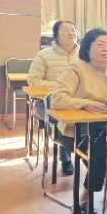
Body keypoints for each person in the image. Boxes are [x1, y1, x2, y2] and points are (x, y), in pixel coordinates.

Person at [52, 28, 107, 214]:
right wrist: (84, 103)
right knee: (102, 150)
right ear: (87, 47)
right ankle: (87, 196)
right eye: (101, 45)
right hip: (78, 130)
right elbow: (57, 99)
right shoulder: (76, 68)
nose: (106, 49)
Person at [28, 19, 79, 175]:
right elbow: (33, 80)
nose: (71, 33)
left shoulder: (85, 55)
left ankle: (90, 159)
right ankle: (66, 158)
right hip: (47, 104)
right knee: (64, 120)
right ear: (56, 35)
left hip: (77, 104)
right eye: (66, 30)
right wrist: (59, 86)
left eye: (73, 30)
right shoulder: (43, 55)